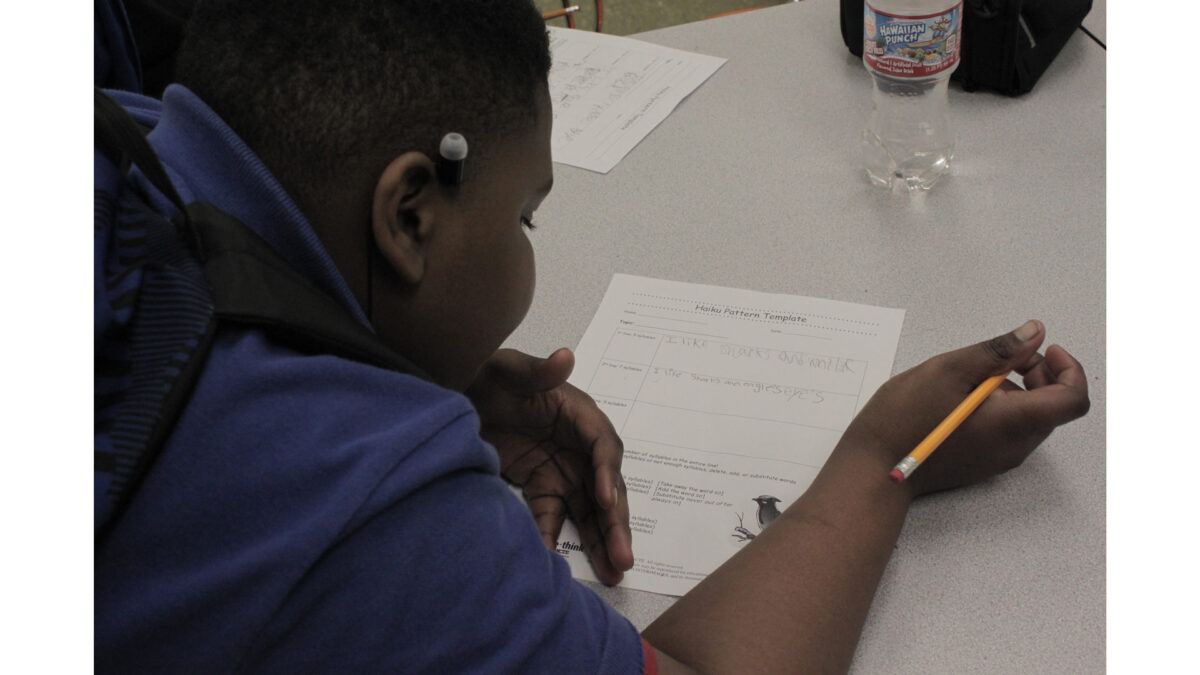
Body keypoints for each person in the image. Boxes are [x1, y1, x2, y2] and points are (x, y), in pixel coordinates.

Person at [93, 1, 1090, 672]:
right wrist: (887, 459)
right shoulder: (360, 502)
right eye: (526, 216)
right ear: (407, 216)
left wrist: (405, 361)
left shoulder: (117, 130)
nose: (529, 249)